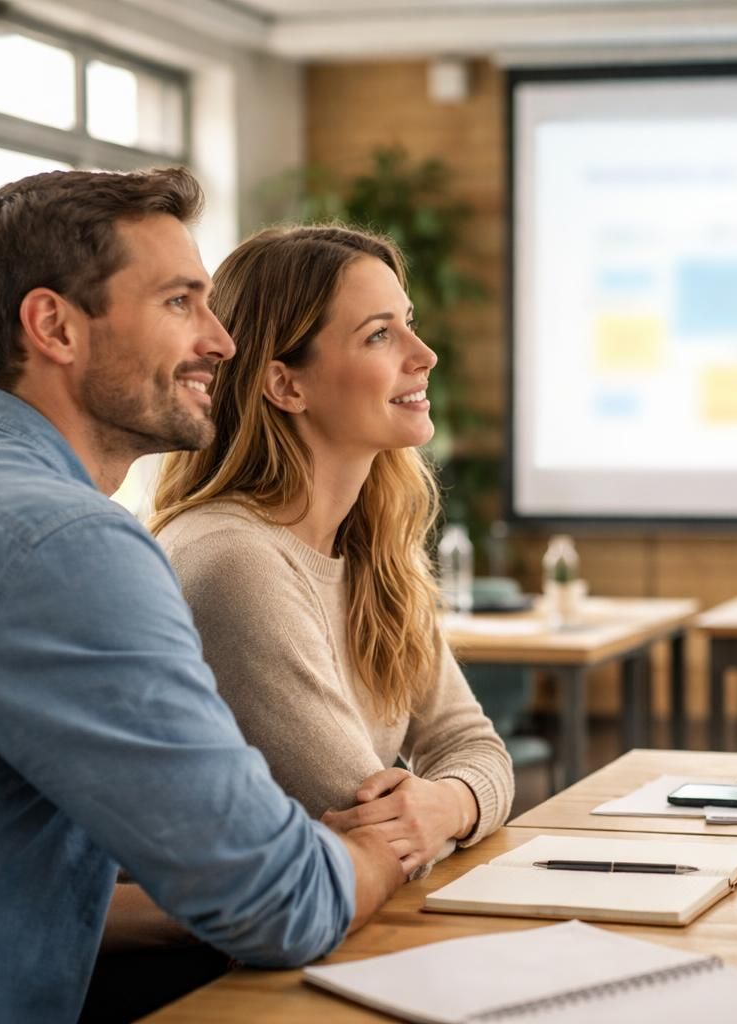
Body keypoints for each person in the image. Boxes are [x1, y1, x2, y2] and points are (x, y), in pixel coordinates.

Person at [0, 170, 404, 1024]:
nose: (223, 341)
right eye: (180, 303)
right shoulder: (64, 545)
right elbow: (286, 904)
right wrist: (384, 849)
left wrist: (231, 896)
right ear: (53, 326)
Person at [150, 226, 514, 878]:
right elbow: (373, 833)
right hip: (223, 971)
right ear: (286, 386)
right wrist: (438, 813)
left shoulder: (371, 549)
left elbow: (473, 748)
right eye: (380, 334)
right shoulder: (235, 562)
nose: (425, 354)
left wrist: (451, 805)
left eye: (409, 323)